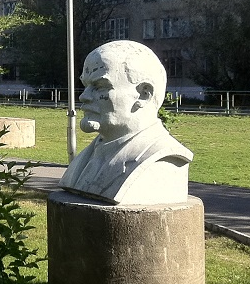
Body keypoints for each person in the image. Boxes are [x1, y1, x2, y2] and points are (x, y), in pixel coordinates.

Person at [59, 40, 193, 205]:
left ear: (144, 95)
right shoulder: (86, 157)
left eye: (100, 86)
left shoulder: (163, 159)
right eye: (86, 86)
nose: (83, 96)